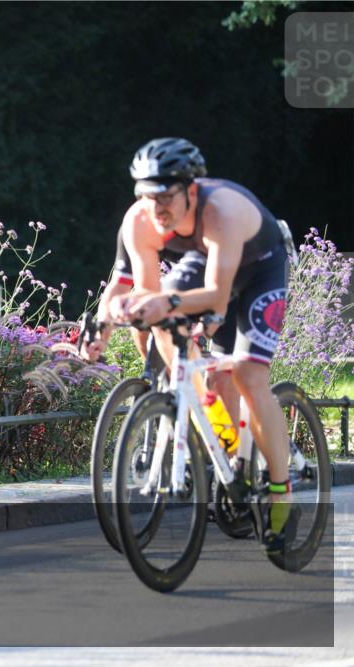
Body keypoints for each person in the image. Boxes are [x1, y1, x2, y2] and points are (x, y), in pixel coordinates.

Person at [111, 137, 296, 554]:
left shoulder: (221, 210)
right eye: (146, 195)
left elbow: (216, 296)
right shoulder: (140, 220)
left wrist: (171, 303)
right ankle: (217, 423)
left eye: (165, 196)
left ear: (191, 190)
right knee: (163, 321)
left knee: (249, 373)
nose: (156, 208)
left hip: (258, 268)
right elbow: (146, 294)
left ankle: (282, 496)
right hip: (207, 263)